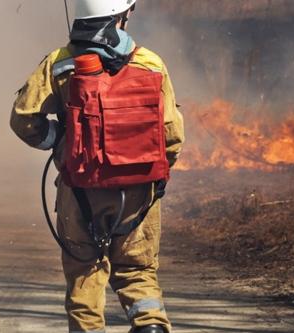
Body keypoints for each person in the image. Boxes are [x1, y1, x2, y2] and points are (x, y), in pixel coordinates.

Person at [10, 1, 184, 332]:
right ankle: (150, 325)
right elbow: (172, 135)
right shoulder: (151, 63)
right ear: (124, 13)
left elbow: (23, 119)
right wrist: (155, 179)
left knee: (85, 276)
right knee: (137, 273)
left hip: (79, 194)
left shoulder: (60, 63)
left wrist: (59, 141)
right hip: (138, 196)